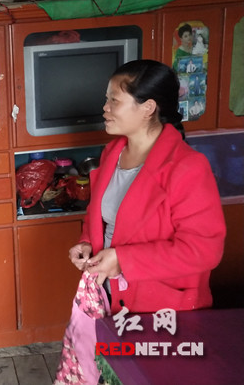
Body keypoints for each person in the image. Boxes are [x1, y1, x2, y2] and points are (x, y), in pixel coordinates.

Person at [57, 59, 225, 384]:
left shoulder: (187, 167)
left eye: (114, 100)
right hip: (112, 297)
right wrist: (87, 242)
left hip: (163, 310)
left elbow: (204, 250)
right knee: (115, 374)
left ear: (148, 107)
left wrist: (123, 259)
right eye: (106, 99)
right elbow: (103, 217)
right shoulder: (112, 153)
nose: (105, 108)